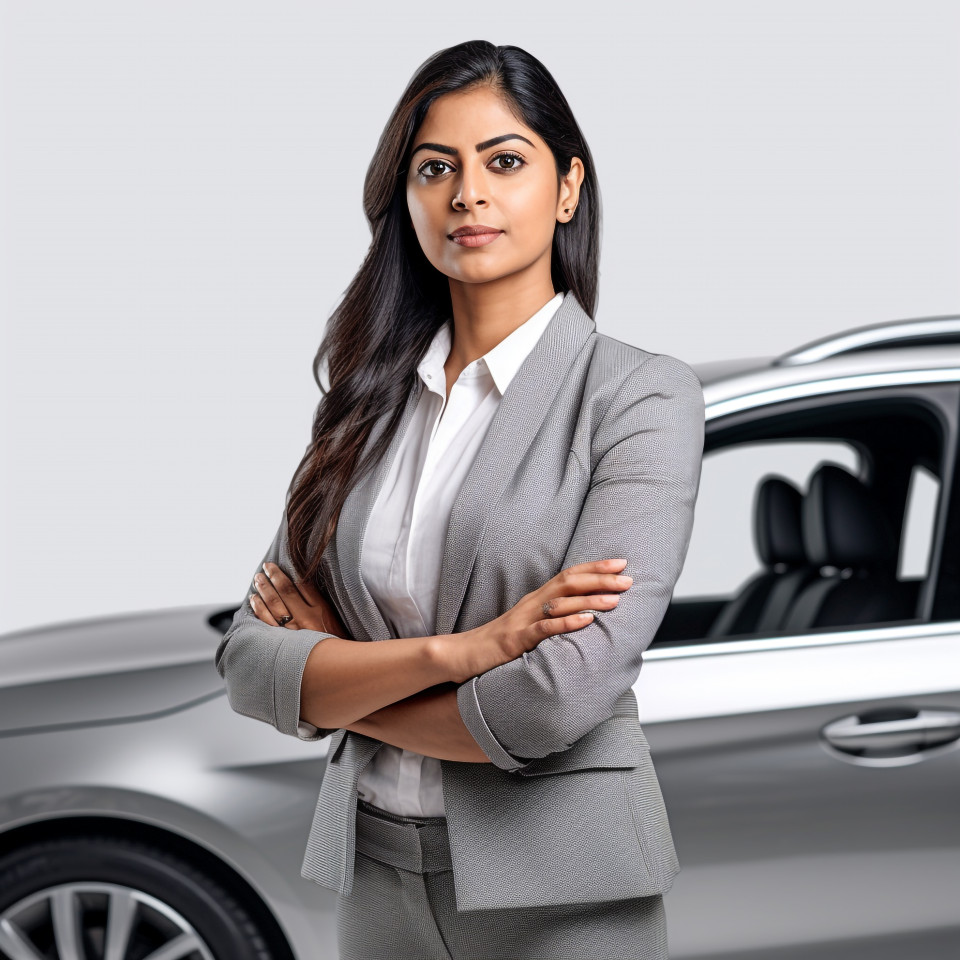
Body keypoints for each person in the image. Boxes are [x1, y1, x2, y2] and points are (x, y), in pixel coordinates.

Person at [216, 39, 704, 960]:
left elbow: (554, 701)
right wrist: (462, 652)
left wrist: (339, 679)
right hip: (378, 874)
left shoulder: (639, 396)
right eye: (435, 168)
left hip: (564, 888)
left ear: (566, 190)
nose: (467, 193)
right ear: (405, 200)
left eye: (504, 162)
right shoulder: (363, 403)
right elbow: (249, 662)